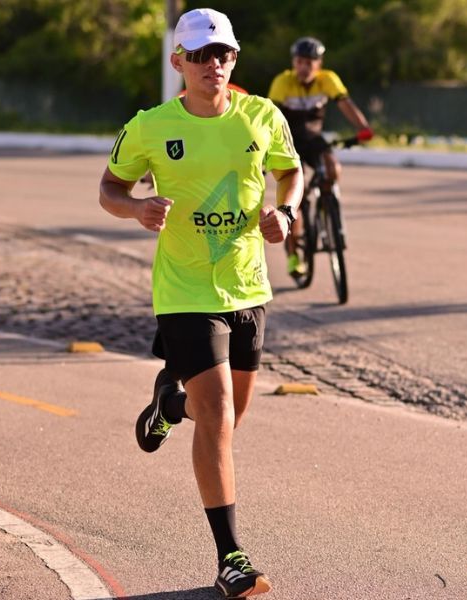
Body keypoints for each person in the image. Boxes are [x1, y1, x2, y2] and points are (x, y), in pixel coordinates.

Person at [98, 8, 303, 599]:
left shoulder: (262, 115)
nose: (214, 64)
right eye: (202, 54)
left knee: (231, 416)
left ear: (234, 59)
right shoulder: (150, 126)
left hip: (248, 286)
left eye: (224, 54)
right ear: (178, 62)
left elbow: (293, 173)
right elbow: (110, 187)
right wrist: (136, 208)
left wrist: (284, 213)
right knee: (216, 415)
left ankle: (169, 401)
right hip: (184, 288)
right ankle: (230, 557)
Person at [267, 36, 373, 277]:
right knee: (298, 194)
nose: (304, 67)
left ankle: (327, 208)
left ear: (319, 63)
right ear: (294, 62)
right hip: (289, 143)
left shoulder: (328, 79)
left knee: (333, 169)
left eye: (310, 62)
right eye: (300, 61)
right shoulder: (283, 82)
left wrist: (363, 127)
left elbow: (345, 103)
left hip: (314, 140)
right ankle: (294, 255)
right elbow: (269, 117)